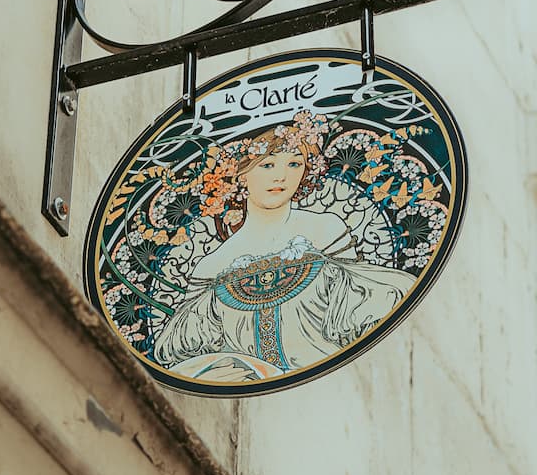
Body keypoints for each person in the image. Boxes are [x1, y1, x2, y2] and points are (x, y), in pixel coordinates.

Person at [152, 112, 414, 382]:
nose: (281, 177)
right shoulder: (212, 265)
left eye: (294, 164)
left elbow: (364, 310)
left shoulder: (326, 230)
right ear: (241, 175)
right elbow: (185, 351)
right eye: (267, 165)